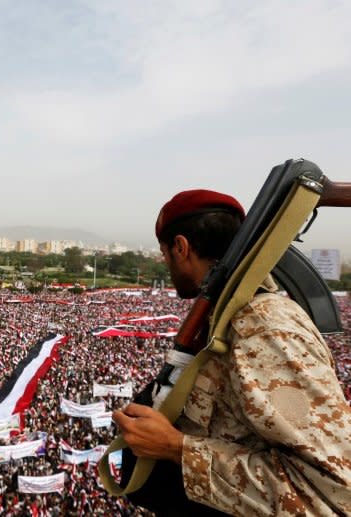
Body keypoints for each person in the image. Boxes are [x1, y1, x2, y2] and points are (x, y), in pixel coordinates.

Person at [113, 189, 351, 516]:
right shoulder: (227, 317)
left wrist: (176, 448)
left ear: (181, 247)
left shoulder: (262, 327)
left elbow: (330, 495)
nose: (165, 262)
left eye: (164, 252)